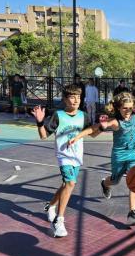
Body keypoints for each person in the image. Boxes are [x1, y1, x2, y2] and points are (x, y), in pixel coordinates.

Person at [68, 91, 135, 226]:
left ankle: (132, 213)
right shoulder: (115, 122)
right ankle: (105, 184)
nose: (128, 111)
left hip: (134, 154)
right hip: (119, 156)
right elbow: (94, 129)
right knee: (114, 181)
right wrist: (78, 137)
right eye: (124, 108)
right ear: (118, 108)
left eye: (130, 108)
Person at [31, 84, 91, 238]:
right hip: (63, 155)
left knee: (66, 185)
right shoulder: (58, 115)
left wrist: (102, 126)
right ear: (65, 99)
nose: (76, 99)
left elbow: (92, 133)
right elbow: (44, 136)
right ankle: (59, 220)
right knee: (71, 183)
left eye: (78, 96)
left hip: (77, 156)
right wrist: (39, 122)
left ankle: (50, 206)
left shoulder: (84, 116)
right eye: (72, 96)